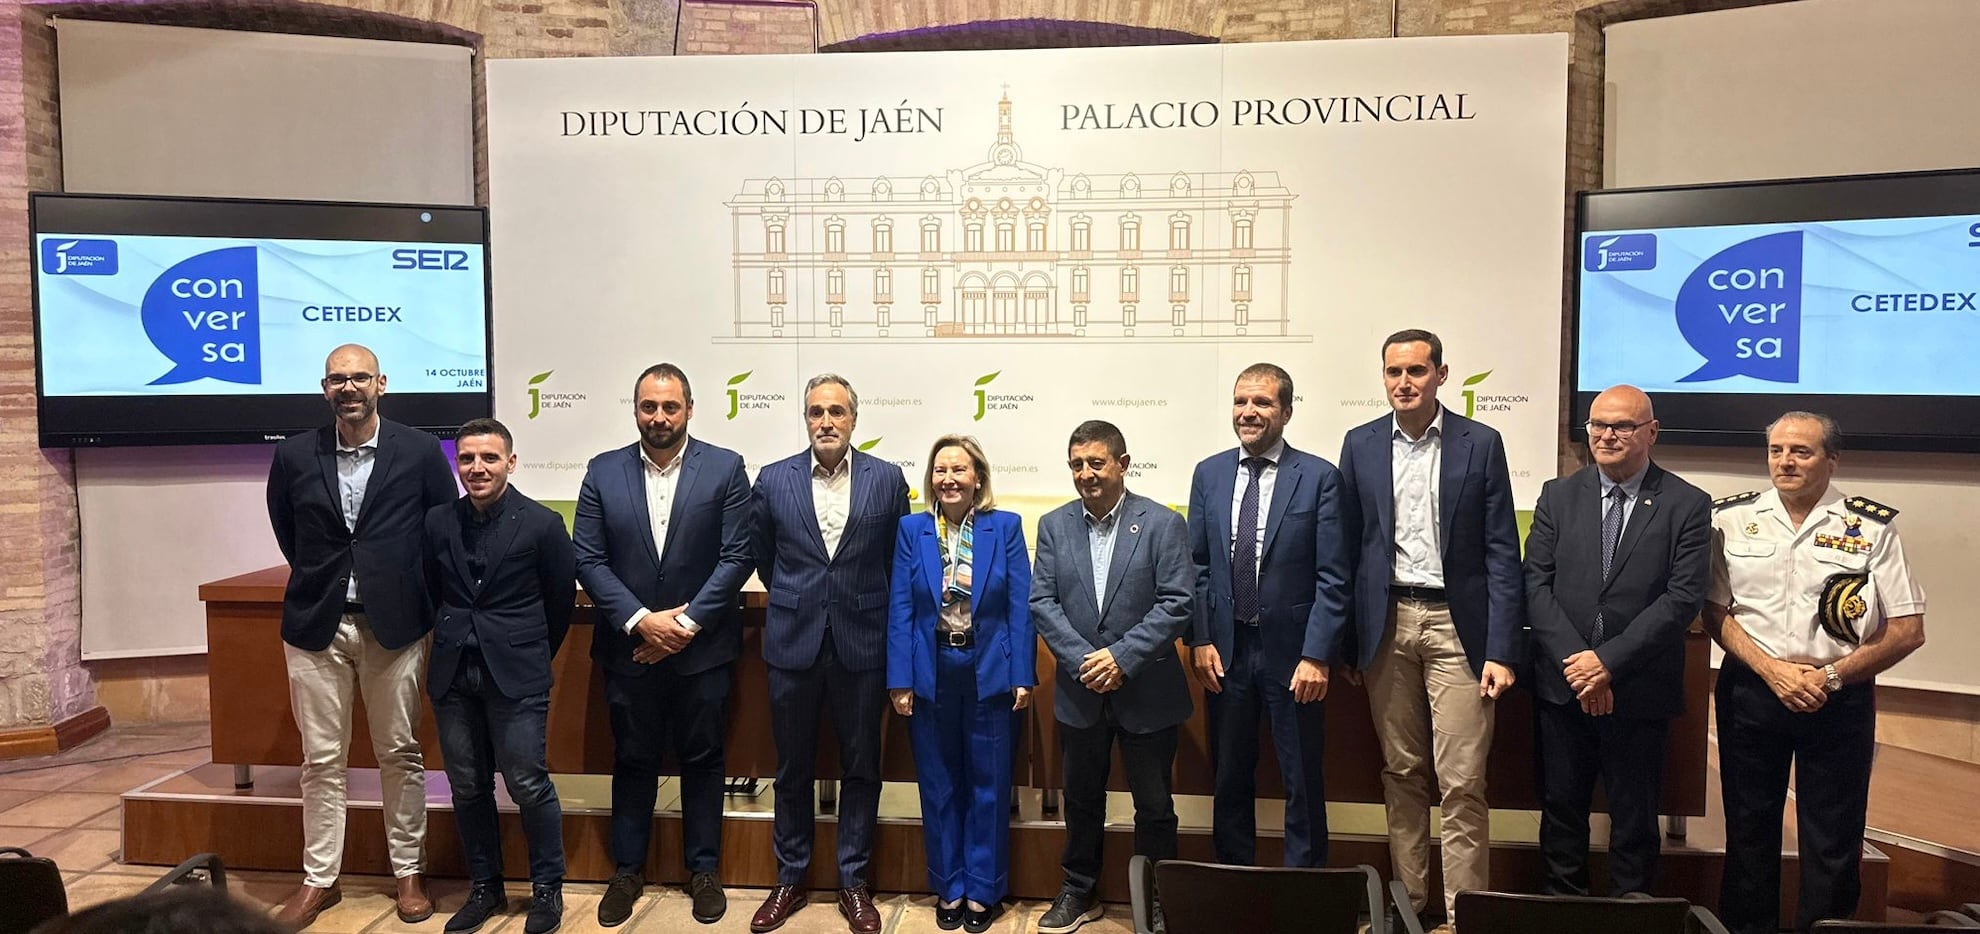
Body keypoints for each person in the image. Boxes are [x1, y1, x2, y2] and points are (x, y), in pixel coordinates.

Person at [1704, 412, 1926, 934]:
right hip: (1751, 692)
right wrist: (1772, 671)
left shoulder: (1871, 525)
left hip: (1837, 696)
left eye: (1801, 451)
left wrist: (1828, 679)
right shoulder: (1731, 519)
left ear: (1832, 460)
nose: (1786, 461)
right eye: (1777, 450)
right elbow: (1714, 612)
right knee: (1749, 834)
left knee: (1833, 840)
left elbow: (1907, 628)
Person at [1335, 331, 1523, 924]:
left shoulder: (1481, 443)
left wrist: (1502, 647)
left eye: (1416, 370)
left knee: (1463, 780)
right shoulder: (1360, 445)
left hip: (1458, 627)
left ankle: (1465, 912)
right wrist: (1348, 643)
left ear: (1442, 374)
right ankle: (1410, 907)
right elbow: (1344, 550)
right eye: (1393, 371)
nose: (1403, 382)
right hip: (1386, 624)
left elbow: (1501, 552)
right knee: (1402, 773)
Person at [265, 343, 454, 927]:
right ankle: (320, 879)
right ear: (325, 388)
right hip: (317, 625)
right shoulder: (296, 454)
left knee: (400, 752)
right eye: (338, 379)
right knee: (321, 759)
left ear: (382, 383)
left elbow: (439, 525)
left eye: (360, 378)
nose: (349, 388)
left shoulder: (420, 450)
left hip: (393, 627)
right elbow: (287, 530)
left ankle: (408, 874)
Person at [574, 363, 754, 928]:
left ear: (690, 409)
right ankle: (627, 870)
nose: (659, 417)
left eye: (670, 407)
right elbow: (588, 558)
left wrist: (683, 627)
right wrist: (640, 621)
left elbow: (736, 557)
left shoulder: (725, 468)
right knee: (632, 759)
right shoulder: (603, 471)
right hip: (629, 649)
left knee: (704, 760)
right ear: (635, 410)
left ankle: (703, 871)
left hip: (703, 651)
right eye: (649, 407)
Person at [1523, 384, 1711, 897]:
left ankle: (1631, 913)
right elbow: (1534, 585)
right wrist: (1579, 666)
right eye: (1597, 424)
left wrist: (1606, 664)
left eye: (1622, 426)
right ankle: (1564, 910)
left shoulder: (1687, 504)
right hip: (1564, 687)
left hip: (1638, 689)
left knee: (1633, 820)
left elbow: (1682, 599)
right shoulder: (1556, 495)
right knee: (1562, 811)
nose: (1607, 435)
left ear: (1651, 432)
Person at [748, 375, 911, 934]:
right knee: (791, 769)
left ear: (853, 419)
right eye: (816, 411)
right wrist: (801, 599)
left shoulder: (888, 481)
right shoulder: (773, 480)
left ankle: (854, 883)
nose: (826, 421)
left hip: (862, 646)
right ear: (805, 418)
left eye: (836, 412)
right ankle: (789, 878)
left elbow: (897, 561)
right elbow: (766, 559)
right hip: (793, 643)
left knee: (862, 769)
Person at [1031, 420, 1194, 934]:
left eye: (1096, 462)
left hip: (1147, 689)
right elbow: (1042, 601)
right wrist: (1088, 660)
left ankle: (1157, 898)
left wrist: (1121, 658)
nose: (1086, 473)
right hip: (1081, 692)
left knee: (1154, 805)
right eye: (1077, 464)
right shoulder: (1055, 525)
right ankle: (1079, 890)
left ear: (1123, 464)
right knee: (1081, 801)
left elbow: (1177, 603)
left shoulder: (1163, 524)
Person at [1185, 363, 1350, 868]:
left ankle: (1304, 893)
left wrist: (1318, 655)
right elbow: (1198, 566)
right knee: (1230, 776)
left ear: (1286, 411)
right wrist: (1200, 638)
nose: (1248, 413)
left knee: (1301, 779)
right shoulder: (1209, 473)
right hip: (1226, 653)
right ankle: (1232, 884)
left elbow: (1334, 576)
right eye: (1240, 402)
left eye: (1261, 403)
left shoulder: (1319, 477)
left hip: (1295, 656)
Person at [423, 418, 575, 934]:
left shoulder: (542, 524)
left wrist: (525, 651)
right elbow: (430, 590)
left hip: (517, 674)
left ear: (511, 462)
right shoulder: (438, 521)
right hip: (452, 673)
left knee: (528, 784)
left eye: (489, 458)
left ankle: (546, 891)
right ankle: (485, 888)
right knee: (466, 788)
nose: (477, 468)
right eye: (466, 459)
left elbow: (558, 606)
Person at [887, 435, 1034, 934]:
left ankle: (983, 888)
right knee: (939, 784)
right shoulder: (912, 530)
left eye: (959, 470)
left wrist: (1022, 675)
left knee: (989, 786)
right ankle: (949, 885)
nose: (948, 479)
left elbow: (1019, 607)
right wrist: (900, 679)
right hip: (931, 671)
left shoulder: (1005, 527)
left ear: (978, 478)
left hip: (988, 669)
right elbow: (901, 609)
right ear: (931, 478)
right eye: (940, 470)